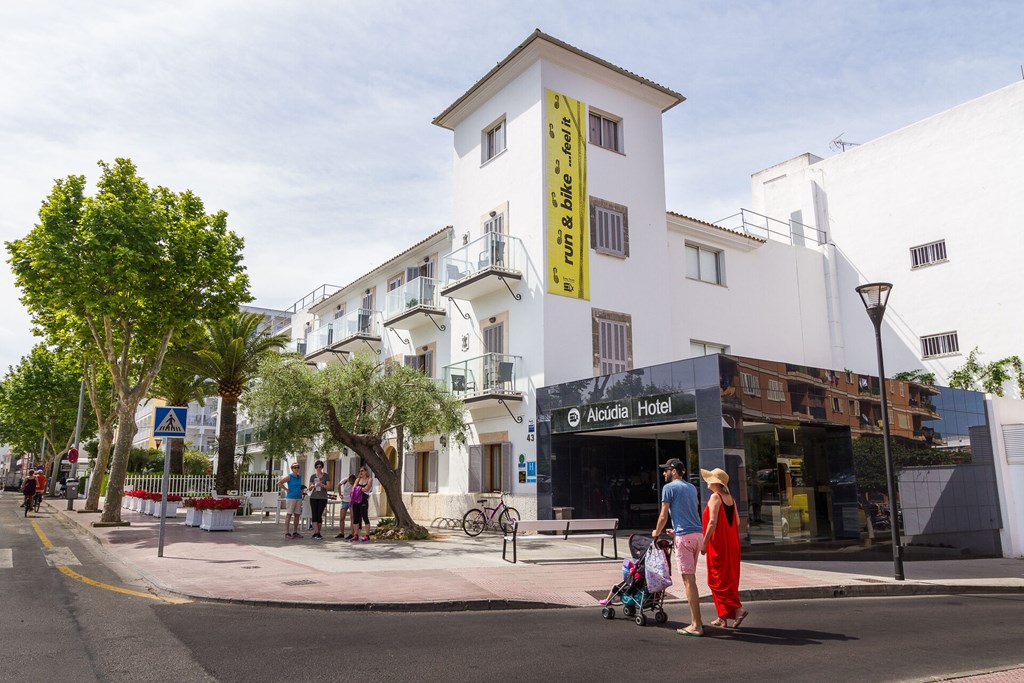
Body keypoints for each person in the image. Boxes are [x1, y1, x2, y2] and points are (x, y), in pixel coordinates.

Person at [652, 457, 704, 637]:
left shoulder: (669, 488)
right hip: (697, 535)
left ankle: (696, 625)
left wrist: (656, 533)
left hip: (685, 538)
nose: (664, 473)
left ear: (674, 471)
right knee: (692, 579)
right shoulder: (691, 488)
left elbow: (663, 515)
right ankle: (697, 621)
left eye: (666, 470)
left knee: (689, 582)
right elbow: (690, 512)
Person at [700, 468, 748, 629]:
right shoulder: (731, 499)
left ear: (716, 483)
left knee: (716, 580)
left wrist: (705, 542)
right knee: (727, 579)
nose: (707, 481)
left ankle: (738, 609)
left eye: (709, 479)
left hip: (718, 545)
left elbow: (712, 522)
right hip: (732, 544)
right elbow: (738, 523)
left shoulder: (715, 497)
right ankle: (722, 617)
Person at [277, 463, 304, 539]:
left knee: (297, 515)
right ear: (292, 468)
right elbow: (279, 483)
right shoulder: (290, 476)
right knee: (289, 514)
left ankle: (295, 532)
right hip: (291, 497)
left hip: (298, 498)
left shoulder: (299, 477)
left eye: (298, 467)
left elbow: (299, 486)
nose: (297, 469)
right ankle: (287, 532)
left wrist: (301, 490)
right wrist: (286, 490)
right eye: (295, 467)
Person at [307, 460, 331, 540]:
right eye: (317, 467)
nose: (318, 468)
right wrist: (313, 486)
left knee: (319, 515)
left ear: (322, 467)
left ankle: (317, 532)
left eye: (320, 467)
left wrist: (322, 485)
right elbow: (309, 488)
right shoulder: (313, 476)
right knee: (314, 514)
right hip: (314, 497)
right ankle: (316, 533)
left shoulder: (326, 476)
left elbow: (329, 487)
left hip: (322, 497)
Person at [350, 466, 373, 542]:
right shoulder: (357, 479)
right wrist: (360, 489)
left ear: (366, 472)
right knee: (355, 517)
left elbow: (367, 488)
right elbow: (353, 488)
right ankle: (356, 534)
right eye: (360, 471)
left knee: (365, 517)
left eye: (362, 471)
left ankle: (367, 535)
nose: (361, 472)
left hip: (363, 500)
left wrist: (358, 488)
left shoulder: (369, 480)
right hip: (356, 500)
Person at [335, 474, 356, 539]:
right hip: (344, 500)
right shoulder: (345, 480)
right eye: (350, 482)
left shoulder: (356, 483)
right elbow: (338, 485)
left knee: (352, 517)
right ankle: (342, 533)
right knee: (342, 518)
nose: (351, 483)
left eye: (352, 483)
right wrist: (340, 494)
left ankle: (352, 533)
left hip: (351, 501)